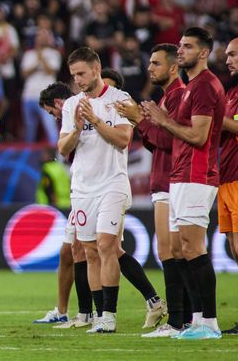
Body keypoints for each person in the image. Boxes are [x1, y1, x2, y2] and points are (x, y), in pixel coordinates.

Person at [142, 27, 225, 340]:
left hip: (197, 174)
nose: (181, 51)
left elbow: (200, 136)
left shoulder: (204, 87)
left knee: (192, 246)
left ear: (203, 53)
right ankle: (195, 320)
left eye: (188, 47)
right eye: (180, 45)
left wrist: (162, 121)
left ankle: (210, 322)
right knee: (179, 247)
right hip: (179, 176)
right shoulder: (192, 87)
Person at [58, 46, 134, 334]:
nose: (77, 79)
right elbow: (63, 148)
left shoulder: (120, 99)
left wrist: (96, 120)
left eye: (81, 73)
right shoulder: (70, 105)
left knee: (105, 246)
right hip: (82, 188)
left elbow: (124, 139)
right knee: (89, 252)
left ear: (96, 69)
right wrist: (77, 127)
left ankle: (110, 317)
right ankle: (100, 313)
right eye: (73, 75)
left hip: (112, 183)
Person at [115, 43, 188, 337]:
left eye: (156, 64)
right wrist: (141, 120)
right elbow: (156, 140)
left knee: (174, 251)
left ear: (173, 67)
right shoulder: (167, 97)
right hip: (166, 178)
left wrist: (139, 118)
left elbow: (172, 141)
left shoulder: (178, 96)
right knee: (170, 251)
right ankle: (186, 318)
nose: (150, 68)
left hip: (172, 179)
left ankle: (180, 320)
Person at [36, 82, 92, 329]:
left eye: (51, 112)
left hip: (94, 191)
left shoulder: (78, 112)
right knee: (68, 253)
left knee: (99, 252)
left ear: (58, 104)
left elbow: (64, 148)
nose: (54, 117)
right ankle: (63, 311)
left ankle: (89, 313)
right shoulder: (72, 118)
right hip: (79, 193)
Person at [220, 37, 238, 335]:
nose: (228, 60)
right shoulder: (232, 91)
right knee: (235, 250)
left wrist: (216, 118)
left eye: (234, 54)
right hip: (224, 178)